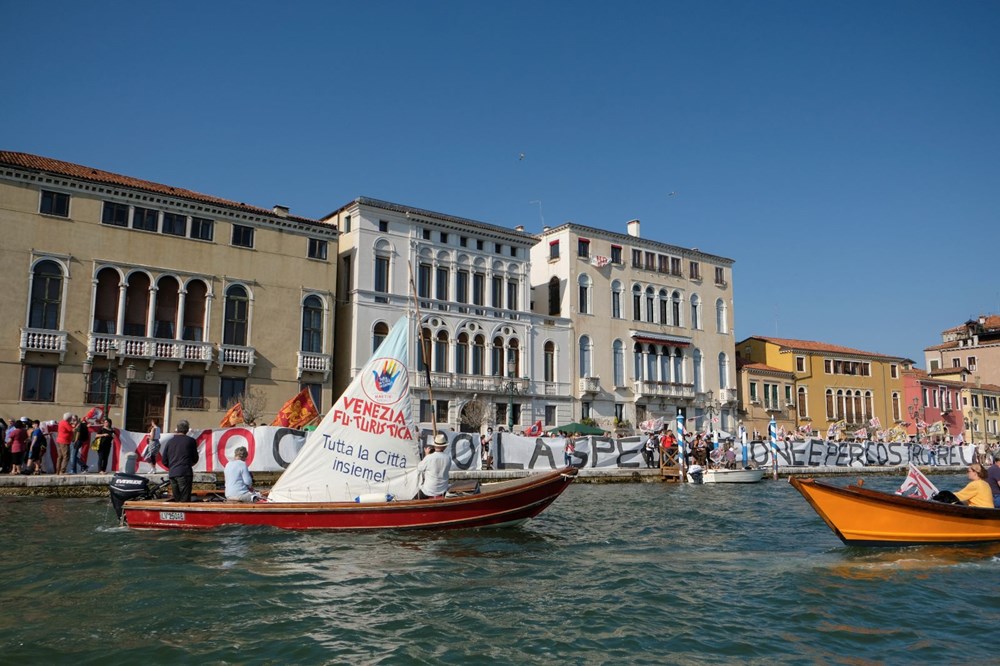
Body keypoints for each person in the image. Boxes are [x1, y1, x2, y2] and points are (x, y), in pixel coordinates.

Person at [160, 420, 199, 502]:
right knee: (185, 499)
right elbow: (195, 458)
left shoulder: (170, 442)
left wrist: (172, 466)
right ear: (187, 430)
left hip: (172, 473)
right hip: (185, 472)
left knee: (177, 499)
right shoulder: (191, 441)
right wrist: (188, 464)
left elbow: (164, 460)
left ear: (177, 429)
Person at [416, 433, 451, 499]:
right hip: (443, 489)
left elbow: (419, 468)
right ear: (445, 446)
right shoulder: (448, 458)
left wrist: (426, 455)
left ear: (434, 446)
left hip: (429, 490)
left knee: (416, 492)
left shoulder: (429, 458)